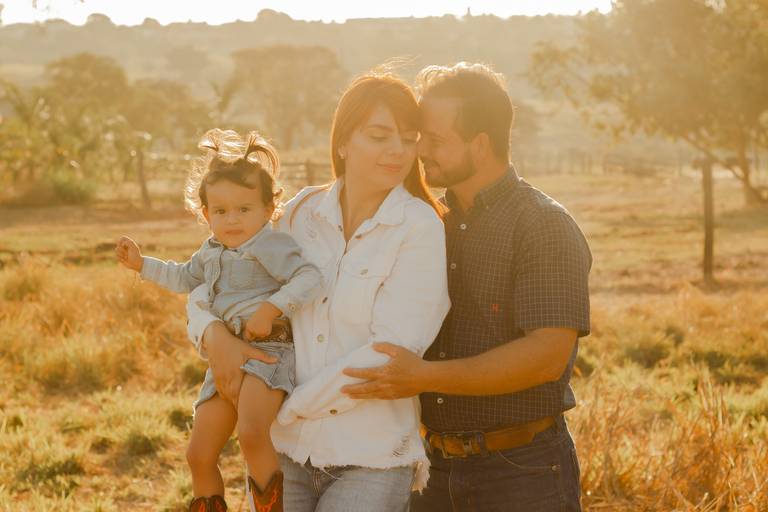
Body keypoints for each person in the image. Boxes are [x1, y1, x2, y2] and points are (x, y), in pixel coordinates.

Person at [186, 72, 451, 512]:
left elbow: (391, 351)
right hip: (285, 455)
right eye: (380, 135)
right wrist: (212, 334)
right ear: (343, 142)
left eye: (409, 138)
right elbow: (221, 276)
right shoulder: (301, 213)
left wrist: (287, 409)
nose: (398, 151)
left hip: (371, 456)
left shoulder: (420, 227)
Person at [341, 63, 592, 512]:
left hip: (521, 471)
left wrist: (424, 378)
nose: (421, 153)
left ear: (480, 144)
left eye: (435, 141)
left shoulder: (543, 225)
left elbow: (547, 357)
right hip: (431, 468)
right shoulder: (425, 222)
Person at [115, 129, 323, 512]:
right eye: (221, 211)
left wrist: (271, 308)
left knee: (251, 434)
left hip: (267, 355)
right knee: (198, 453)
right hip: (224, 361)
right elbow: (182, 277)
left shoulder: (268, 244)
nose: (232, 220)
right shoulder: (210, 252)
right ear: (206, 213)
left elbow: (309, 278)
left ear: (268, 209)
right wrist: (142, 265)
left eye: (244, 209)